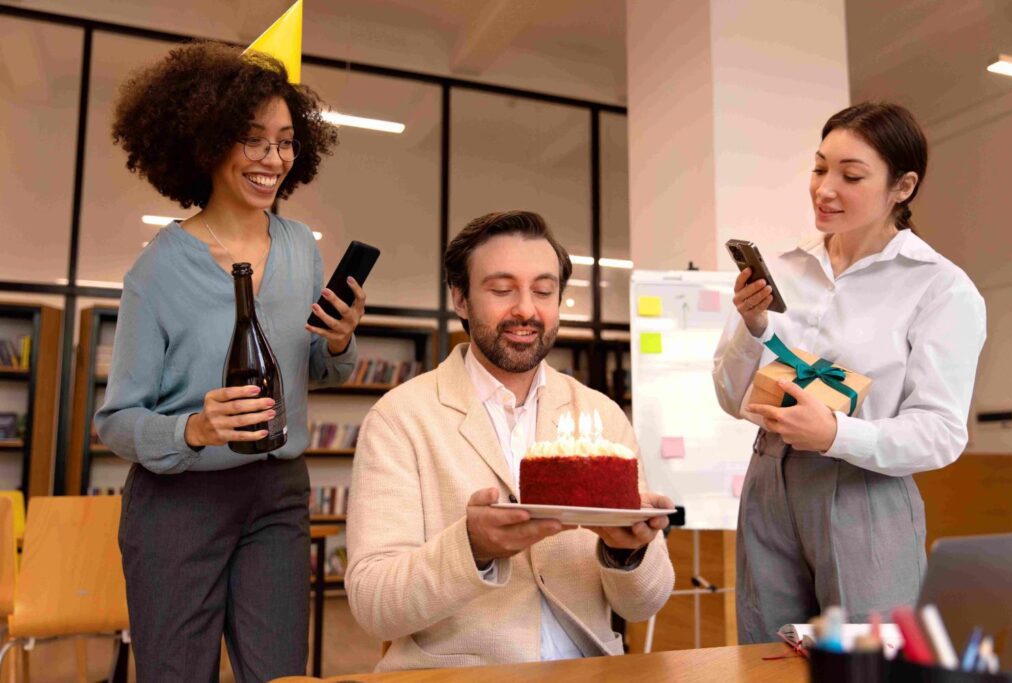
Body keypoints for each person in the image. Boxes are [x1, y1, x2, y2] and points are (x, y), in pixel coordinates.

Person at [96, 42, 365, 681]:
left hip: (278, 494)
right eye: (253, 140)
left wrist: (337, 342)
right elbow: (116, 421)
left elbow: (319, 373)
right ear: (208, 142)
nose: (274, 159)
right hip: (179, 504)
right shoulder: (156, 270)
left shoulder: (302, 247)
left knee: (280, 674)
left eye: (286, 142)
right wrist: (193, 427)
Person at [345, 211, 674, 671]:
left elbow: (646, 605)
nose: (525, 309)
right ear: (460, 299)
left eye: (543, 291)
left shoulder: (599, 415)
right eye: (502, 290)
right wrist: (472, 549)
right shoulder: (401, 419)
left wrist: (627, 551)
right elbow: (373, 604)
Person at [712, 102, 986, 643]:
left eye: (851, 175)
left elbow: (942, 432)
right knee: (765, 655)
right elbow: (728, 396)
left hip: (867, 485)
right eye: (819, 169)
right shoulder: (783, 267)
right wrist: (750, 324)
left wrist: (838, 434)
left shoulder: (941, 288)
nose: (824, 189)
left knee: (867, 662)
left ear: (902, 187)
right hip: (770, 476)